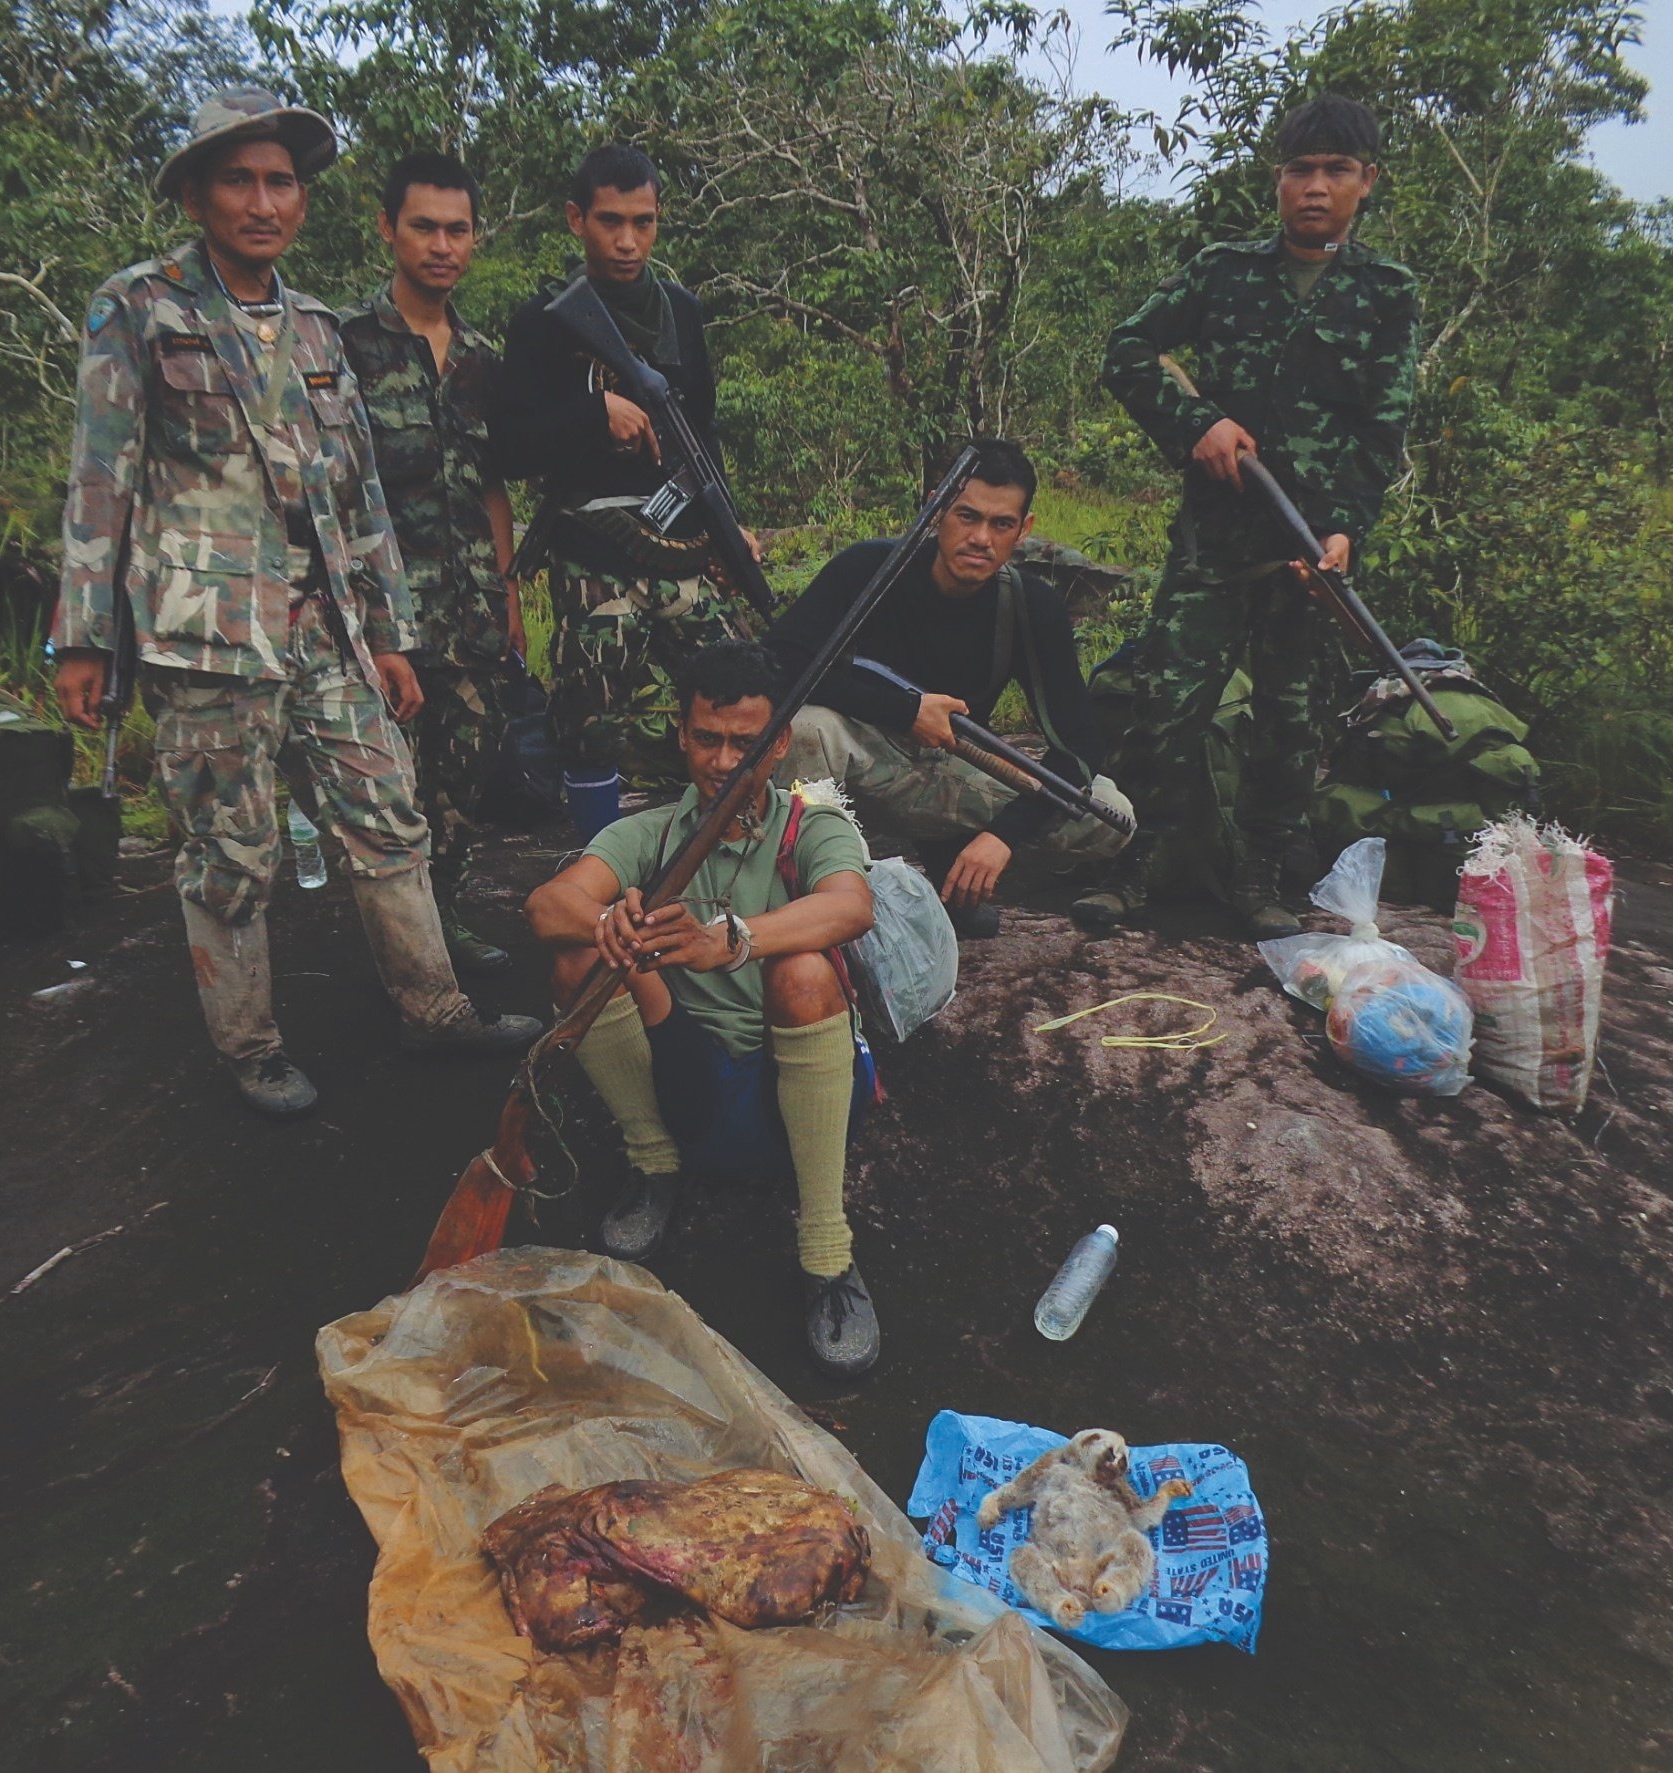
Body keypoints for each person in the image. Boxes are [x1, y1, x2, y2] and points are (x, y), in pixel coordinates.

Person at [50, 88, 540, 1118]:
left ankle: (433, 1007)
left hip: (329, 630)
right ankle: (251, 1046)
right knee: (230, 848)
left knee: (387, 814)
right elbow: (102, 477)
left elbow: (357, 496)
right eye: (240, 179)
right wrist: (83, 637)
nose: (263, 201)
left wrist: (390, 636)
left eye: (281, 181)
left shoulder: (316, 329)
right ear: (194, 192)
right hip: (205, 632)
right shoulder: (139, 307)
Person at [1074, 93, 1419, 941]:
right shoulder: (1225, 270)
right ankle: (1134, 864)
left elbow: (1383, 427)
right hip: (1215, 542)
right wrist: (1199, 424)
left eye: (1337, 170)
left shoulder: (1386, 292)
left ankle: (1259, 874)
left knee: (1290, 721)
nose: (1316, 186)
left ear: (1366, 183)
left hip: (1309, 557)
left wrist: (1346, 531)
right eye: (1301, 169)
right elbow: (1126, 349)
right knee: (1168, 702)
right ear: (1278, 182)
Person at [524, 641, 884, 1379]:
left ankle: (826, 1252)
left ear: (779, 742)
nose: (724, 763)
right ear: (682, 736)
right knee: (575, 956)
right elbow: (547, 904)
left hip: (799, 1094)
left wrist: (738, 941)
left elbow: (851, 904)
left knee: (805, 972)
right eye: (708, 740)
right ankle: (655, 1164)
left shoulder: (811, 825)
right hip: (684, 1082)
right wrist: (608, 926)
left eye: (746, 744)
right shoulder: (651, 832)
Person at [489, 143, 758, 841]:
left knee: (740, 698)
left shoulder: (682, 312)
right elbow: (508, 446)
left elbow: (701, 430)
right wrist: (593, 415)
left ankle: (734, 851)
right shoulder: (543, 321)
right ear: (577, 220)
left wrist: (732, 525)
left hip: (681, 551)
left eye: (643, 222)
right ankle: (597, 872)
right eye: (610, 221)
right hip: (592, 555)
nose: (627, 241)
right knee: (592, 721)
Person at [767, 439, 1134, 940]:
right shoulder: (868, 569)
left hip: (952, 765)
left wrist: (1001, 838)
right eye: (966, 516)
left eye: (1001, 524)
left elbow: (1079, 745)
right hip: (859, 756)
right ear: (936, 508)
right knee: (803, 729)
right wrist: (904, 710)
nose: (980, 538)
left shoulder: (1031, 607)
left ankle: (950, 864)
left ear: (1023, 530)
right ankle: (819, 895)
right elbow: (778, 663)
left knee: (1109, 816)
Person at [338, 150, 525, 975]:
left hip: (472, 609)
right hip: (387, 615)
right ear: (388, 229)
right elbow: (331, 493)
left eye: (458, 230)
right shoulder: (343, 346)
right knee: (392, 788)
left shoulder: (482, 360)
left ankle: (442, 913)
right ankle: (397, 948)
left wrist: (510, 594)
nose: (442, 245)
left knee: (467, 774)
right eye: (424, 227)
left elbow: (492, 486)